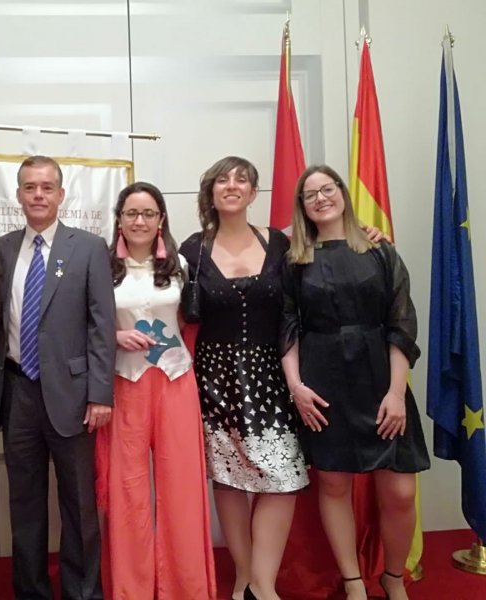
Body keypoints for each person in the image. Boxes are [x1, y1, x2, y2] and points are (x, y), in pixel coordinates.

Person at [280, 165, 430, 600]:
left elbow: (401, 324)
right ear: (302, 206)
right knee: (333, 484)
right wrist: (296, 387)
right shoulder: (294, 260)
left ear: (343, 193)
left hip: (381, 381)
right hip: (322, 383)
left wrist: (396, 393)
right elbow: (287, 327)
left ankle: (393, 577)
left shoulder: (381, 251)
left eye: (327, 189)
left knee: (400, 491)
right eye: (310, 194)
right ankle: (352, 581)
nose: (320, 198)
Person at [179, 156, 309, 600]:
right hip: (212, 379)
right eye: (222, 179)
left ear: (254, 193)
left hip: (272, 374)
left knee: (283, 477)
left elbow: (327, 250)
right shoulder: (192, 250)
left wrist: (369, 233)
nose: (231, 185)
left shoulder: (281, 244)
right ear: (211, 192)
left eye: (242, 179)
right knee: (229, 478)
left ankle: (263, 582)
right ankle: (244, 579)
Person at [0, 155, 116, 600]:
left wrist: (100, 394)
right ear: (18, 195)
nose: (38, 195)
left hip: (74, 395)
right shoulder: (1, 249)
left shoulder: (89, 247)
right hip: (16, 389)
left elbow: (102, 325)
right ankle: (32, 592)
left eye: (46, 187)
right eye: (29, 187)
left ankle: (83, 592)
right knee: (24, 504)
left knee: (78, 504)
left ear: (61, 195)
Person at [95, 181, 217, 599]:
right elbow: (84, 323)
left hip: (175, 381)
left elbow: (191, 321)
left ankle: (184, 588)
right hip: (123, 383)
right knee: (126, 491)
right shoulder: (101, 267)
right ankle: (131, 589)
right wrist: (114, 336)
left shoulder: (181, 264)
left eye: (148, 213)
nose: (140, 221)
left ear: (161, 219)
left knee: (181, 487)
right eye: (131, 213)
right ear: (119, 220)